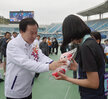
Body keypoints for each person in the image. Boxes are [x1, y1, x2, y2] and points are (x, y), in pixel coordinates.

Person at [5, 18, 66, 99]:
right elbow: (26, 63)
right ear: (21, 31)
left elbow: (40, 56)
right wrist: (50, 66)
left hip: (28, 88)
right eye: (31, 33)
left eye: (36, 33)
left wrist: (54, 63)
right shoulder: (13, 44)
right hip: (15, 91)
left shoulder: (32, 44)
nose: (34, 36)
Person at [55, 15, 106, 99]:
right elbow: (95, 69)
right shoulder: (92, 42)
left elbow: (93, 83)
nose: (71, 41)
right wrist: (79, 68)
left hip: (92, 95)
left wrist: (66, 78)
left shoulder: (86, 47)